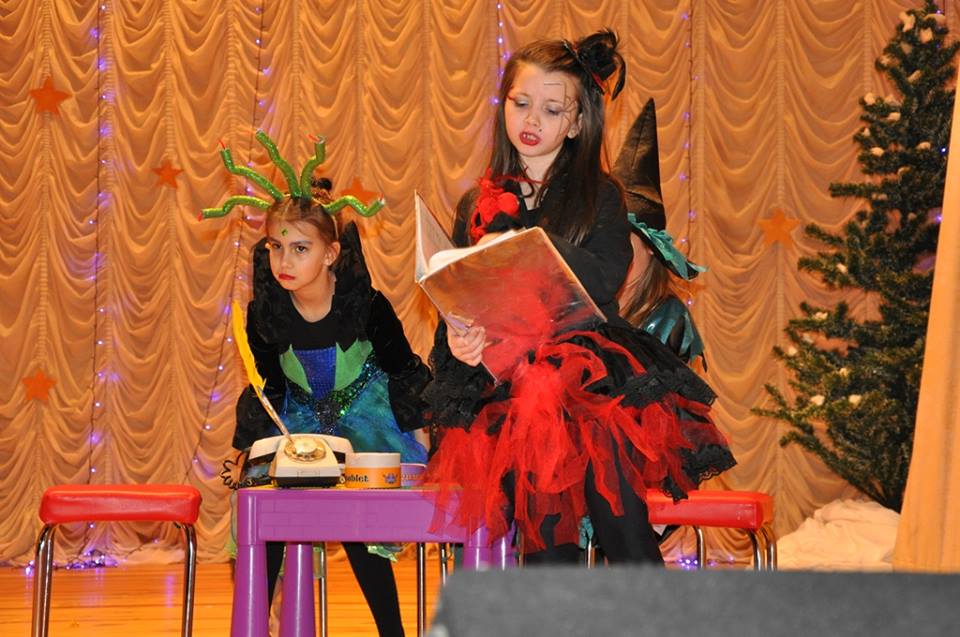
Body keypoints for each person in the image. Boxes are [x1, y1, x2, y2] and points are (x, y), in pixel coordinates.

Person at [423, 29, 735, 566]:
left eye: (551, 110)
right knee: (546, 545)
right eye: (521, 103)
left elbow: (604, 277)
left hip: (589, 385)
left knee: (623, 528)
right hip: (510, 390)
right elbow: (460, 293)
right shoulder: (477, 203)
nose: (532, 120)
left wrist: (527, 239)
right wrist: (460, 339)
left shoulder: (602, 195)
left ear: (575, 123)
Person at [206, 133, 428, 637]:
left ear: (330, 254)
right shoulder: (265, 316)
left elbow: (403, 369)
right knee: (264, 510)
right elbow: (269, 389)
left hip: (366, 419)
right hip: (299, 423)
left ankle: (392, 632)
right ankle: (254, 624)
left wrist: (424, 437)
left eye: (300, 248)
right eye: (276, 247)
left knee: (359, 525)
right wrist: (248, 451)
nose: (284, 261)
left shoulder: (367, 306)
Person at [614, 97, 707, 368]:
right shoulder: (592, 303)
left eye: (622, 239)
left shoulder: (669, 318)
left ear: (651, 247)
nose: (611, 247)